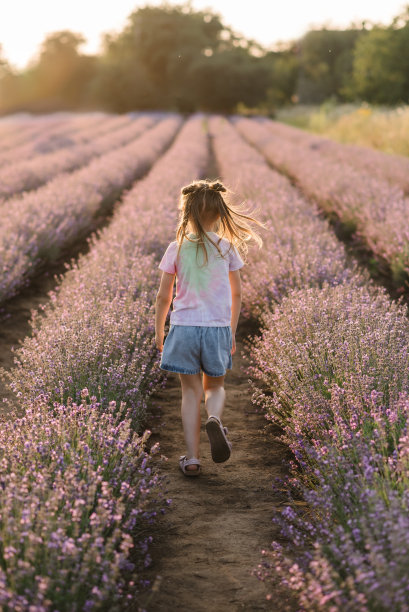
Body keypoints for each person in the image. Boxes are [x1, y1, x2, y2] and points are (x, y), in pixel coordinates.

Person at [155, 179, 262, 476]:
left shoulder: (176, 248)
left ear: (186, 214)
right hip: (216, 328)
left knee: (189, 393)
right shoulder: (226, 248)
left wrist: (159, 330)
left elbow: (164, 295)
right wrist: (231, 330)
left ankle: (191, 459)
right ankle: (214, 417)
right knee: (215, 386)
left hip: (184, 327)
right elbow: (238, 293)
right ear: (219, 214)